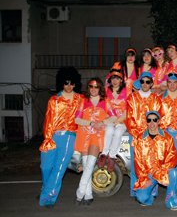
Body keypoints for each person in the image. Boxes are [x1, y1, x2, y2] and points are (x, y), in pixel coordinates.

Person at [39, 68, 83, 207]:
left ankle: (48, 198)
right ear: (61, 83)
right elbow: (48, 120)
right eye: (66, 83)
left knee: (58, 170)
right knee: (45, 167)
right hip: (52, 137)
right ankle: (46, 189)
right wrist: (48, 138)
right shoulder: (54, 100)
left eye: (72, 83)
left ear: (75, 84)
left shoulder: (80, 100)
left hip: (69, 138)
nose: (69, 86)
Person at [74, 78, 117, 206]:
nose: (93, 89)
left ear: (100, 88)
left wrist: (102, 122)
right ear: (88, 88)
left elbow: (114, 116)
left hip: (97, 136)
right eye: (91, 86)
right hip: (83, 134)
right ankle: (88, 195)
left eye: (96, 86)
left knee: (90, 164)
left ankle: (79, 193)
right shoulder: (83, 101)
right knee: (86, 163)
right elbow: (77, 119)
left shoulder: (105, 101)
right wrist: (91, 123)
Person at [133, 111, 177, 211]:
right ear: (146, 122)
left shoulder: (167, 138)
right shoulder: (140, 139)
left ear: (159, 121)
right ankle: (150, 193)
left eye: (154, 120)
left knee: (175, 173)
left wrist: (161, 171)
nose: (152, 123)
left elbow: (173, 158)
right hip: (148, 174)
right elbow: (137, 161)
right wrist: (144, 179)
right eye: (149, 120)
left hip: (162, 171)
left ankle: (171, 199)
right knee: (141, 198)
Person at [126, 72, 163, 197]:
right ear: (140, 83)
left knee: (152, 162)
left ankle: (152, 191)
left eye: (148, 81)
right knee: (136, 163)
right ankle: (135, 190)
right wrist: (137, 134)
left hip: (151, 133)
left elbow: (160, 117)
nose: (145, 84)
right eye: (143, 81)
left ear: (151, 83)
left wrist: (153, 133)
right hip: (136, 134)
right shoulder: (132, 97)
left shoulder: (156, 98)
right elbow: (129, 117)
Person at [97, 69, 128, 172]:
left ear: (121, 80)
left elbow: (128, 109)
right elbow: (102, 106)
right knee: (109, 131)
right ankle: (104, 154)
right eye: (113, 78)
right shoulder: (105, 91)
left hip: (122, 120)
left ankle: (112, 157)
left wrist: (119, 121)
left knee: (118, 132)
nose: (115, 81)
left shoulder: (126, 91)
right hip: (109, 119)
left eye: (118, 78)